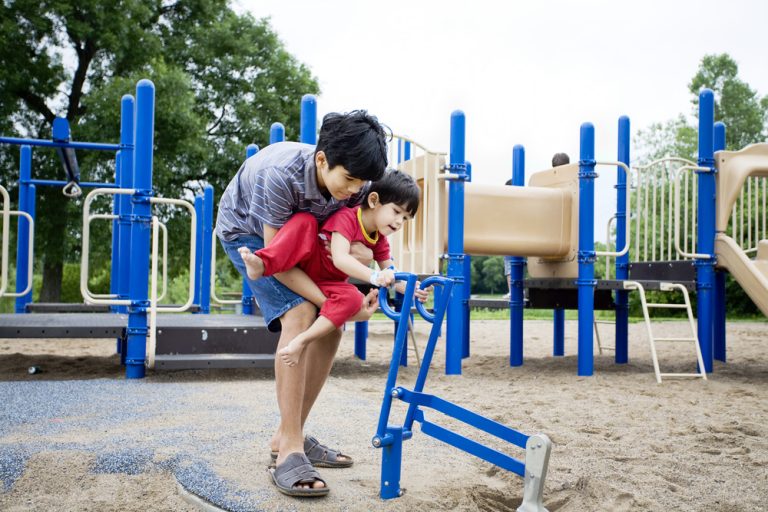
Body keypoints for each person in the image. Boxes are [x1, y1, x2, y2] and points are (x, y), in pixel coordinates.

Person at [216, 110, 388, 497]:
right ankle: (290, 449)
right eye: (348, 180)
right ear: (322, 159)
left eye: (361, 183)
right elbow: (279, 259)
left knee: (332, 325)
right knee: (302, 312)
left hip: (310, 232)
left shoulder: (359, 182)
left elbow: (353, 241)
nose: (354, 190)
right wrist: (333, 300)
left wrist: (358, 280)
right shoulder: (279, 175)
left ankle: (288, 434)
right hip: (252, 239)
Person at [238, 169, 428, 367]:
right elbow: (340, 259)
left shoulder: (379, 240)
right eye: (397, 212)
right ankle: (263, 262)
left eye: (405, 218)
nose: (399, 222)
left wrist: (410, 287)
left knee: (354, 298)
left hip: (329, 283)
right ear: (373, 200)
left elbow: (392, 271)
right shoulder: (347, 217)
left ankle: (301, 341)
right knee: (305, 221)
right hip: (306, 264)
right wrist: (375, 276)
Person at [504, 153, 570, 299]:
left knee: (511, 254)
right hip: (554, 235)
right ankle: (516, 289)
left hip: (542, 235)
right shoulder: (574, 179)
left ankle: (514, 290)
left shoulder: (545, 181)